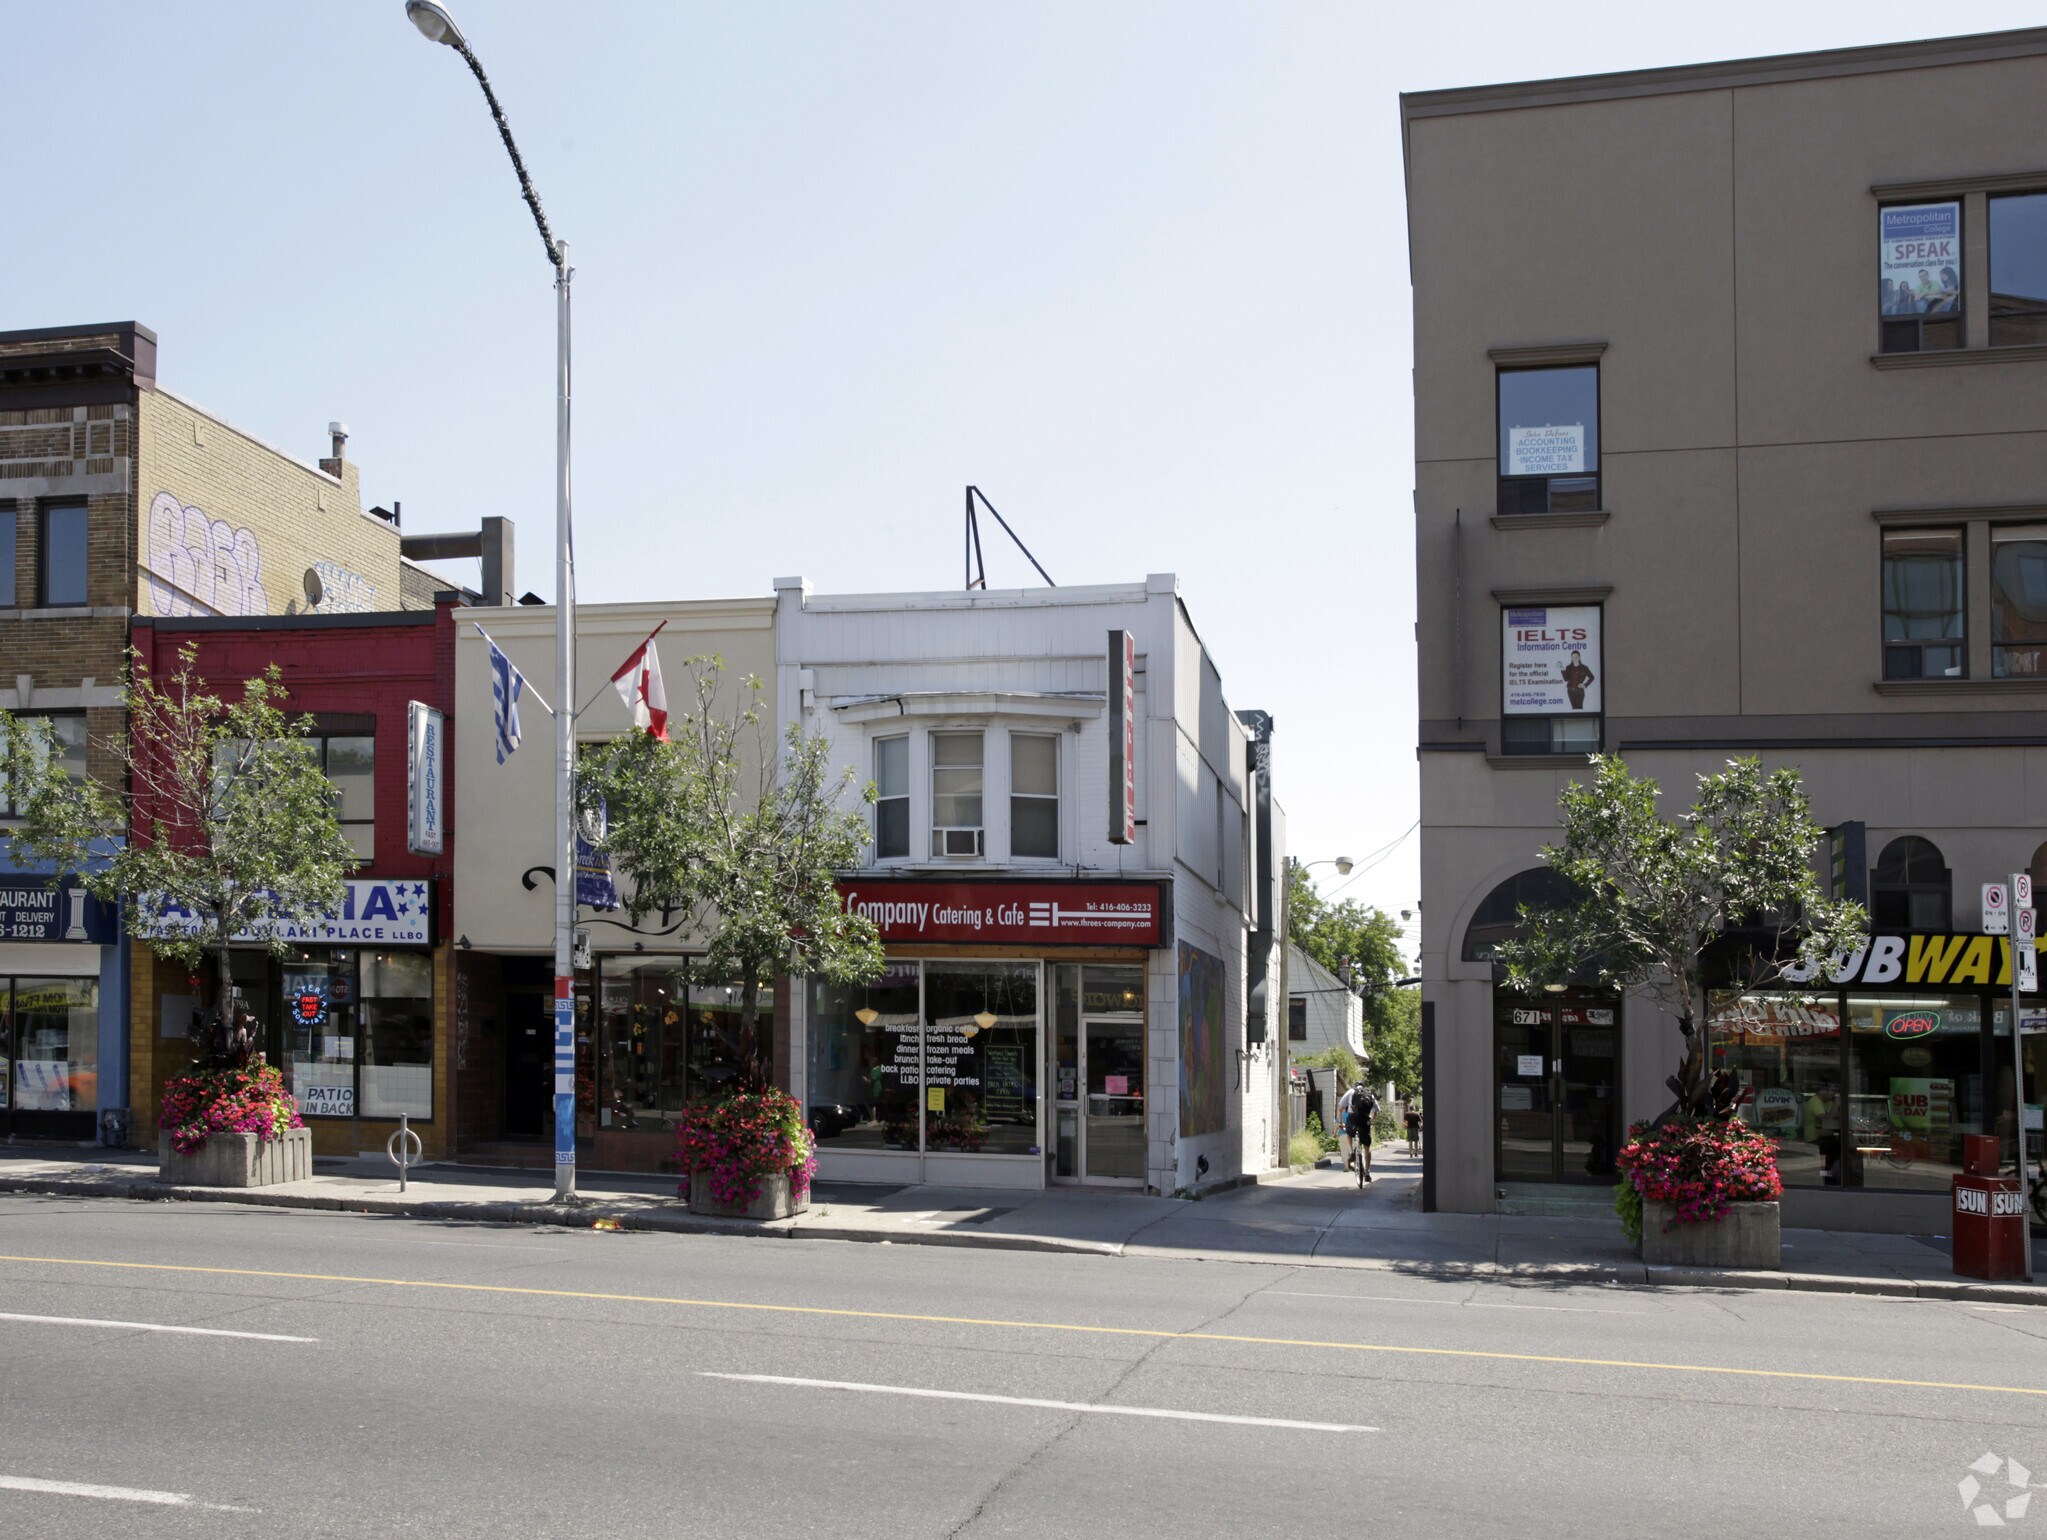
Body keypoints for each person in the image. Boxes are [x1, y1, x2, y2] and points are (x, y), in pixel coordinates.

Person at [1338, 1077, 1379, 1183]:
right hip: (1365, 1119)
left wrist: (1340, 1122)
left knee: (1349, 1132)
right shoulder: (1370, 1094)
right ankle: (1367, 1172)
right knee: (1367, 1147)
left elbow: (1340, 1108)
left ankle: (1352, 1151)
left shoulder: (1351, 1091)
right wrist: (1370, 1120)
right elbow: (1376, 1111)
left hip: (1352, 1118)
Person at [1802, 1082, 1841, 1186]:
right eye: (1832, 1091)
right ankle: (1829, 1175)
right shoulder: (1815, 1102)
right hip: (1815, 1138)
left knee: (1844, 1146)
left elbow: (1836, 1116)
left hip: (1826, 1136)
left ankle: (1834, 1174)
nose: (1834, 1094)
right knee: (1838, 1148)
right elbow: (1826, 1122)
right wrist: (1836, 1105)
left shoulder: (1827, 1102)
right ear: (1823, 1091)